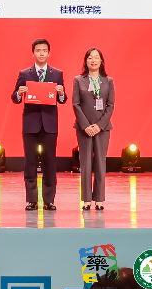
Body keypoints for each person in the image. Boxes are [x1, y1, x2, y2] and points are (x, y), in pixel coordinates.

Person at [11, 38, 67, 211]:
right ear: (33, 53)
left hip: (49, 124)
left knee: (50, 162)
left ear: (49, 53)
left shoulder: (57, 73)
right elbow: (14, 98)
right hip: (30, 123)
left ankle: (49, 200)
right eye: (38, 50)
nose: (41, 53)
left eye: (44, 50)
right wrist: (19, 93)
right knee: (30, 162)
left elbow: (63, 100)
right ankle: (32, 200)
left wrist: (61, 93)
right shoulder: (25, 74)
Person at [73, 47, 114, 211]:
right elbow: (76, 104)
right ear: (86, 61)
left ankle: (99, 200)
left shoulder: (108, 81)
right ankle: (86, 200)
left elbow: (110, 106)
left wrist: (99, 125)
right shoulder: (78, 80)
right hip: (84, 128)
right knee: (85, 163)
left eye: (96, 57)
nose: (93, 60)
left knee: (100, 163)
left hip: (102, 128)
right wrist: (86, 126)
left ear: (101, 61)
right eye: (90, 57)